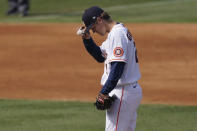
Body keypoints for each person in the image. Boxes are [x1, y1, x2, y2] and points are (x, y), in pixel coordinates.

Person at [78, 6, 142, 131]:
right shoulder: (116, 33)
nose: (94, 31)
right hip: (128, 90)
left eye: (93, 27)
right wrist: (87, 40)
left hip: (122, 92)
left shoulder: (117, 34)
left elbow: (117, 67)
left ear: (100, 20)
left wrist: (104, 92)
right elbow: (100, 56)